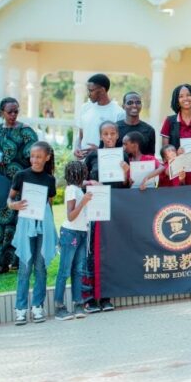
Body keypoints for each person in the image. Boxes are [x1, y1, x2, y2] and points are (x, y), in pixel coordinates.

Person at [0, 97, 38, 274]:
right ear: (1, 112)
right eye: (9, 111)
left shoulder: (25, 131)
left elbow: (36, 155)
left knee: (14, 223)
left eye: (16, 111)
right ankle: (0, 262)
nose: (13, 114)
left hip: (18, 184)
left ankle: (16, 261)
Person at [7, 141, 58, 325]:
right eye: (32, 156)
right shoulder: (21, 175)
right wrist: (14, 205)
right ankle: (20, 309)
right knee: (25, 267)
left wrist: (51, 228)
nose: (34, 159)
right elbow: (10, 198)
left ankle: (38, 306)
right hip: (26, 225)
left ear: (47, 157)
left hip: (43, 227)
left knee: (40, 267)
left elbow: (49, 204)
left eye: (38, 156)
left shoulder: (50, 180)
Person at [82, 121, 127, 313]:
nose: (109, 137)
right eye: (105, 134)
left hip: (114, 208)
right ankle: (89, 298)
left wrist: (126, 172)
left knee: (109, 252)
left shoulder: (123, 155)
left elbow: (125, 185)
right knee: (92, 251)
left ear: (117, 135)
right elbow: (80, 180)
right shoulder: (93, 156)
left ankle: (106, 297)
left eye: (112, 134)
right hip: (95, 208)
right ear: (101, 136)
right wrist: (91, 182)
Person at [53, 161, 92, 321]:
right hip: (71, 233)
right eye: (84, 172)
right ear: (78, 174)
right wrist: (83, 202)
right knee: (65, 271)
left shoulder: (77, 189)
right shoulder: (71, 190)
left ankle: (78, 304)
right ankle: (59, 307)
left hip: (81, 232)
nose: (86, 174)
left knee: (78, 271)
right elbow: (70, 216)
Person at [75, 74, 125, 160]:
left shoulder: (119, 113)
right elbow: (80, 135)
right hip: (83, 162)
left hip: (104, 162)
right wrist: (77, 148)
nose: (88, 94)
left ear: (102, 90)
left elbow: (119, 144)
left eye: (91, 90)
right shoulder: (85, 108)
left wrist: (99, 151)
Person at [161, 84, 191, 149]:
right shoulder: (169, 121)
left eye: (188, 95)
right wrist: (176, 154)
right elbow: (165, 151)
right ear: (177, 101)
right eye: (181, 96)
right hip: (176, 159)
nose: (185, 99)